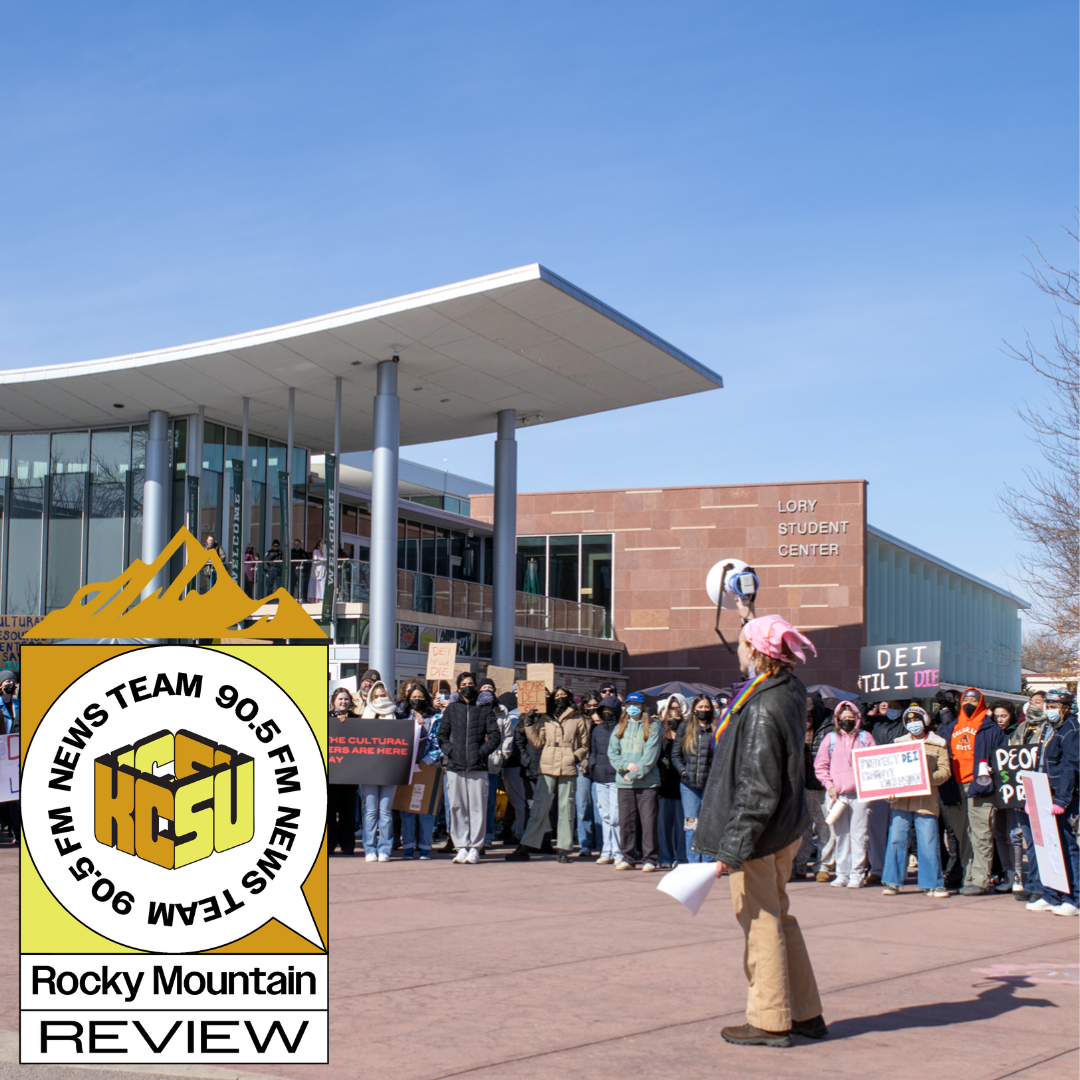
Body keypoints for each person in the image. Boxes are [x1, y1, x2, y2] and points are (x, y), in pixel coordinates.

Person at [693, 614, 825, 1048]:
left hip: (759, 834)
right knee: (780, 917)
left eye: (742, 643)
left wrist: (730, 849)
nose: (738, 649)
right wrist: (752, 617)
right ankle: (805, 1012)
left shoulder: (765, 703)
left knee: (762, 922)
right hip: (781, 829)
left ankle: (770, 1019)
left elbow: (756, 786)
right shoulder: (786, 689)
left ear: (757, 651)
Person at [937, 687, 1008, 895]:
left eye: (974, 699)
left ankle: (980, 880)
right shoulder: (950, 727)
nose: (969, 702)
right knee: (962, 835)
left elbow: (1001, 756)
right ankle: (968, 877)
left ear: (982, 703)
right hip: (954, 787)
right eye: (966, 699)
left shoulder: (991, 729)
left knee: (981, 834)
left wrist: (994, 771)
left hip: (980, 787)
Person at [506, 695, 589, 863]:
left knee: (567, 807)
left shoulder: (577, 718)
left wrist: (574, 757)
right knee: (539, 806)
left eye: (563, 695)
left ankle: (564, 848)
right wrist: (529, 723)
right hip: (547, 763)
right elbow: (537, 742)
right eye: (557, 696)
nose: (560, 699)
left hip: (567, 763)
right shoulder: (546, 718)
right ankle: (527, 845)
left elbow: (584, 745)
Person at [881, 706, 952, 896]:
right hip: (901, 801)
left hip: (926, 801)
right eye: (909, 721)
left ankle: (933, 884)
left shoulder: (938, 744)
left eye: (917, 720)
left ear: (925, 721)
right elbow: (891, 771)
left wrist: (925, 778)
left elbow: (945, 772)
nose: (913, 724)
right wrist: (889, 789)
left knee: (928, 841)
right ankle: (892, 882)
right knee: (896, 839)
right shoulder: (898, 743)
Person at [437, 677, 501, 864]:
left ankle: (475, 847)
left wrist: (481, 753)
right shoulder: (452, 709)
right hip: (455, 766)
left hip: (477, 766)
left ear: (476, 687)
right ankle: (460, 846)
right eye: (463, 685)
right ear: (458, 688)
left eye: (470, 684)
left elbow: (495, 736)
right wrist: (450, 751)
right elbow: (442, 735)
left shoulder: (484, 709)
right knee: (457, 807)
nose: (467, 687)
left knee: (477, 807)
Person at [1028, 690, 1079, 915]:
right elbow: (1041, 763)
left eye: (1054, 705)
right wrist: (1033, 796)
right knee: (1049, 846)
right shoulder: (1050, 728)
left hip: (1063, 798)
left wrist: (1062, 799)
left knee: (1068, 846)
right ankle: (1052, 894)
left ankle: (1074, 898)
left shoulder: (1072, 730)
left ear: (1066, 707)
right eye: (1047, 704)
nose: (1049, 708)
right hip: (1045, 794)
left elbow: (1071, 766)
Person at [813, 701, 875, 888]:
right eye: (844, 718)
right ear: (837, 719)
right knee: (840, 835)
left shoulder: (866, 737)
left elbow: (874, 763)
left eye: (851, 718)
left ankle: (856, 874)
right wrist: (829, 785)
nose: (847, 721)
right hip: (837, 796)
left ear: (857, 719)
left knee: (859, 835)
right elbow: (820, 766)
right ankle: (842, 873)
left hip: (860, 795)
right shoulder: (830, 739)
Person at [608, 691, 661, 872]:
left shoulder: (652, 727)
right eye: (629, 704)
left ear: (642, 706)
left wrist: (635, 773)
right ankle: (628, 857)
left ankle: (650, 859)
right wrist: (624, 767)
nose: (632, 708)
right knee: (627, 823)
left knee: (648, 823)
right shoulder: (619, 728)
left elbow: (650, 756)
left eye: (636, 705)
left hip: (647, 783)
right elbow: (613, 753)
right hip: (624, 783)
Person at [862, 700, 905, 884]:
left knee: (899, 828)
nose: (889, 708)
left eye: (895, 705)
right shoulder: (874, 723)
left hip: (901, 781)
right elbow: (859, 718)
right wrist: (866, 698)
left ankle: (896, 871)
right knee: (876, 828)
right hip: (878, 779)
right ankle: (877, 869)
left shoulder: (906, 724)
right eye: (885, 703)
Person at [397, 681, 440, 859]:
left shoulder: (436, 717)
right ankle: (407, 845)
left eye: (420, 697)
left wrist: (427, 760)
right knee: (406, 809)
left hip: (428, 768)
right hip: (407, 768)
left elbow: (440, 742)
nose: (416, 700)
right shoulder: (401, 716)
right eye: (413, 697)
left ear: (426, 699)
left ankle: (424, 846)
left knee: (426, 810)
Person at [672, 694, 716, 864]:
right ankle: (692, 861)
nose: (703, 710)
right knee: (691, 824)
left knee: (707, 824)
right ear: (694, 709)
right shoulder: (685, 727)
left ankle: (708, 860)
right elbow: (675, 754)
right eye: (700, 707)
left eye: (706, 707)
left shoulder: (715, 728)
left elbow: (719, 756)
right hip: (689, 785)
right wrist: (683, 771)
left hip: (709, 784)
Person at [359, 681, 398, 862]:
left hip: (389, 770)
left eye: (383, 695)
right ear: (370, 697)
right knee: (370, 811)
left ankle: (384, 848)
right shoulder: (366, 716)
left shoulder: (397, 715)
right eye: (376, 696)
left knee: (385, 811)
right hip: (369, 770)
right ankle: (369, 848)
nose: (380, 699)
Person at [803, 692, 836, 882]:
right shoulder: (796, 722)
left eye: (810, 706)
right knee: (801, 826)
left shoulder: (829, 725)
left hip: (823, 784)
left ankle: (823, 865)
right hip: (800, 782)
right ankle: (799, 864)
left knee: (824, 825)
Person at [587, 697, 622, 864]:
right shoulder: (597, 730)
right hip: (600, 778)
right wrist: (593, 766)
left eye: (610, 709)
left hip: (617, 778)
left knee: (616, 817)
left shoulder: (623, 729)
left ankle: (618, 851)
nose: (607, 713)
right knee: (605, 815)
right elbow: (593, 750)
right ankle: (606, 850)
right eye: (604, 710)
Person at [656, 694, 688, 868]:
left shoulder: (687, 733)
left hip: (683, 785)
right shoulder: (660, 734)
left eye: (677, 710)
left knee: (682, 825)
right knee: (663, 825)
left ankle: (681, 857)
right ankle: (665, 857)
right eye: (671, 710)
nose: (674, 715)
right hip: (663, 786)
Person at [327, 687, 359, 855]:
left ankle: (348, 845)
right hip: (331, 773)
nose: (343, 702)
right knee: (329, 810)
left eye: (346, 699)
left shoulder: (357, 719)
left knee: (348, 810)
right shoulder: (325, 718)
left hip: (350, 773)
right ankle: (330, 844)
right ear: (334, 701)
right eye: (340, 699)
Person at [575, 693, 600, 856]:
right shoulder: (579, 721)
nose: (592, 708)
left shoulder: (603, 722)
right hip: (582, 768)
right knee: (583, 806)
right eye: (589, 705)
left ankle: (602, 843)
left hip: (599, 769)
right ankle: (585, 843)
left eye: (595, 705)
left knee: (600, 807)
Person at [0, 671, 19, 845]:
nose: (11, 685)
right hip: (1, 756)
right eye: (7, 681)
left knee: (13, 798)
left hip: (13, 758)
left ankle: (15, 832)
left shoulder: (19, 705)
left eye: (13, 682)